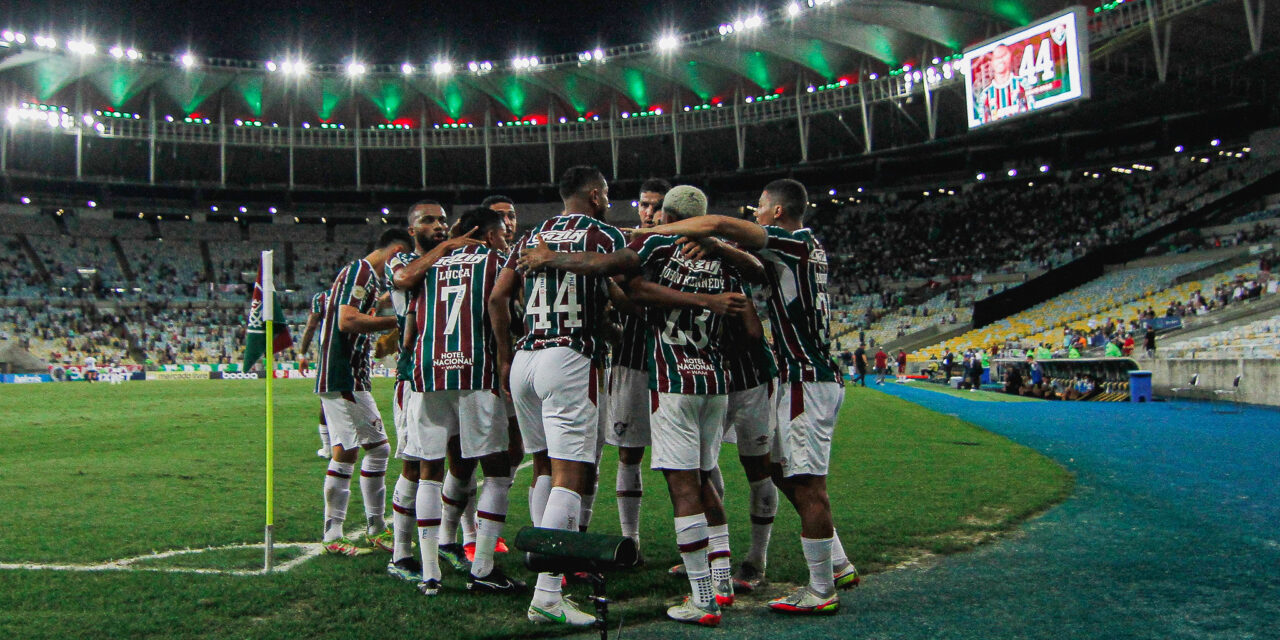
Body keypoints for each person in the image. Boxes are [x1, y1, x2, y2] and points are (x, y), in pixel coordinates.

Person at [516, 185, 765, 626]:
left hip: (672, 382)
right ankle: (722, 579)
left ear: (667, 215)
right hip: (715, 383)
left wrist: (549, 258)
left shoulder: (657, 249)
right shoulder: (725, 263)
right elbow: (751, 328)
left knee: (682, 487)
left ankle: (702, 599)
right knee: (706, 478)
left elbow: (614, 271)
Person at [624, 178, 859, 615]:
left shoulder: (791, 243)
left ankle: (821, 589)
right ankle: (838, 564)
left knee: (804, 483)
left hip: (801, 378)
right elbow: (741, 257)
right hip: (799, 377)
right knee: (783, 474)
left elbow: (718, 224)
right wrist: (714, 248)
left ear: (777, 214)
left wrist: (652, 234)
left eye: (760, 209)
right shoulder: (807, 248)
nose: (754, 215)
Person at [489, 166, 626, 627]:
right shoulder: (602, 235)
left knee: (544, 466)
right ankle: (548, 592)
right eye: (605, 193)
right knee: (573, 473)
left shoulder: (532, 234)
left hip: (526, 358)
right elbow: (626, 271)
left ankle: (552, 577)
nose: (607, 199)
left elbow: (497, 298)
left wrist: (506, 357)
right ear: (593, 194)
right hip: (569, 355)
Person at [406, 207, 524, 596]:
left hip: (431, 370)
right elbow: (504, 306)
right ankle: (484, 568)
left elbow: (406, 298)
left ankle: (429, 574)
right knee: (496, 469)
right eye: (503, 234)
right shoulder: (497, 259)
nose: (506, 240)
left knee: (429, 469)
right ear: (490, 236)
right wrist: (507, 356)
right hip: (476, 370)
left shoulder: (429, 263)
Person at [383, 200, 484, 583]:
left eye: (443, 221)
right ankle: (401, 554)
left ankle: (447, 541)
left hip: (453, 373)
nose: (439, 226)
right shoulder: (402, 261)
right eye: (428, 221)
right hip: (413, 378)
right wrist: (446, 247)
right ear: (412, 230)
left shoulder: (453, 261)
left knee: (461, 461)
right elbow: (403, 281)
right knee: (416, 466)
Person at [314, 228, 414, 556]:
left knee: (378, 449)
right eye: (402, 258)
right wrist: (396, 323)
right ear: (396, 249)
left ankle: (374, 529)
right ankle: (333, 535)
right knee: (347, 450)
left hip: (353, 377)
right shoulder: (360, 271)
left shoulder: (368, 277)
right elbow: (347, 320)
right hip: (341, 375)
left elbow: (365, 309)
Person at [605, 177, 670, 550]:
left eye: (656, 205)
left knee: (691, 461)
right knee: (629, 452)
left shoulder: (684, 247)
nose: (648, 212)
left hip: (675, 363)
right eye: (644, 205)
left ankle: (708, 546)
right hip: (632, 360)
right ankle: (630, 539)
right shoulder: (627, 248)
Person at [299, 290, 331, 458]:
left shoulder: (323, 297)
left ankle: (328, 448)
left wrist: (302, 354)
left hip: (329, 357)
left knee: (326, 401)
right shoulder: (359, 294)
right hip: (354, 357)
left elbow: (311, 326)